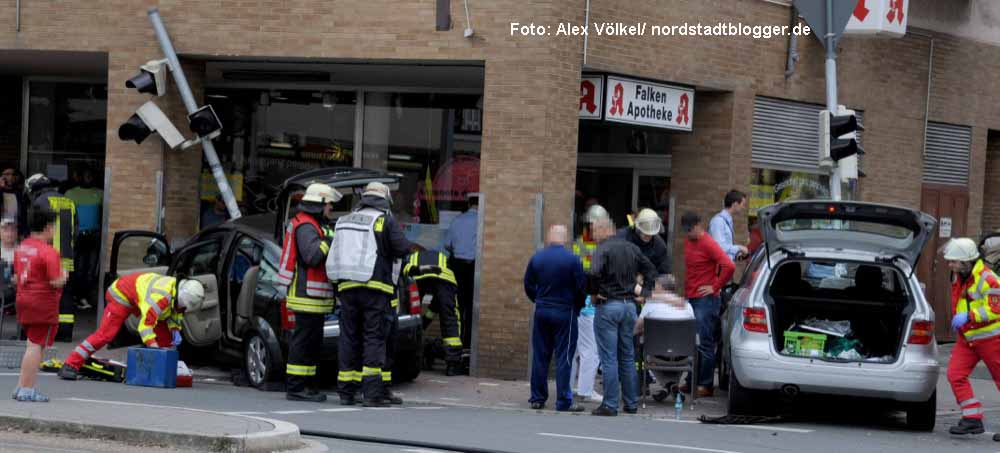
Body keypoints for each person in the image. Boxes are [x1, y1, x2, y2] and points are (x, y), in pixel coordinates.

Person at [328, 182, 411, 407]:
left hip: (347, 288)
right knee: (374, 338)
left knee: (349, 337)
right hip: (375, 289)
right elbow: (403, 248)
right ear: (385, 199)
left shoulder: (344, 220)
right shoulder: (384, 220)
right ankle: (372, 393)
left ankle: (347, 392)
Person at [58, 273, 203, 380]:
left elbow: (175, 314)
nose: (183, 310)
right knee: (105, 335)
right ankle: (71, 364)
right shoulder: (161, 298)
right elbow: (145, 327)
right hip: (121, 294)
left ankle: (165, 372)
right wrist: (155, 351)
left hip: (138, 297)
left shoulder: (178, 293)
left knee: (167, 338)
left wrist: (175, 330)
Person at [276, 183, 340, 402]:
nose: (331, 207)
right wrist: (329, 241)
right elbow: (312, 256)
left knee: (312, 344)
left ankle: (309, 386)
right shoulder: (305, 226)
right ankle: (295, 388)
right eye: (329, 203)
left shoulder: (315, 224)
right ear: (319, 204)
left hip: (315, 296)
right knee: (303, 342)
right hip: (306, 296)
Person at [588, 218, 657, 416]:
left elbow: (593, 273)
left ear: (605, 229)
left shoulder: (603, 249)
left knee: (609, 357)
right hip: (629, 307)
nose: (593, 234)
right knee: (627, 355)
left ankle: (610, 404)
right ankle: (631, 403)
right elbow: (651, 270)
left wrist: (594, 294)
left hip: (609, 305)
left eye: (595, 230)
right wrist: (644, 293)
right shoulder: (633, 248)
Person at [524, 225, 586, 412]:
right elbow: (581, 287)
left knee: (540, 355)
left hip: (542, 310)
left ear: (549, 237)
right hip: (564, 312)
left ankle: (537, 398)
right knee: (564, 357)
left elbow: (528, 284)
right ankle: (563, 401)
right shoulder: (573, 260)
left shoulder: (537, 258)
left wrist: (538, 299)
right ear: (565, 238)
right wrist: (577, 306)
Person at [941, 238, 1000, 436]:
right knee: (955, 375)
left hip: (992, 339)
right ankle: (972, 418)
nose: (950, 265)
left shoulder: (988, 279)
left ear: (966, 261)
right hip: (967, 337)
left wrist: (969, 315)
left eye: (954, 261)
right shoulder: (959, 276)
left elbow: (996, 308)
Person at [11, 210, 66, 402]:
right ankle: (27, 389)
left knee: (31, 343)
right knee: (36, 346)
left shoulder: (22, 247)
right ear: (48, 227)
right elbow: (56, 281)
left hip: (23, 299)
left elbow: (16, 277)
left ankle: (21, 386)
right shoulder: (48, 252)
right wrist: (65, 275)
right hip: (42, 302)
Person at [679, 212, 735, 397]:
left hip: (706, 300)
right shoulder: (689, 241)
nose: (688, 234)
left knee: (704, 342)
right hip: (692, 297)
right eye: (685, 231)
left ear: (698, 225)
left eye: (690, 230)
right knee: (691, 342)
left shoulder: (708, 243)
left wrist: (715, 286)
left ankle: (705, 384)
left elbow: (729, 265)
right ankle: (690, 380)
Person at [25, 174, 76, 342]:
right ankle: (65, 332)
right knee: (66, 294)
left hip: (46, 256)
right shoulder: (69, 201)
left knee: (43, 292)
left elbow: (35, 230)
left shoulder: (39, 202)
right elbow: (75, 229)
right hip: (66, 257)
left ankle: (42, 331)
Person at [404, 250, 465, 376]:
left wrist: (422, 324)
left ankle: (408, 357)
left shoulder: (410, 258)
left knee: (409, 314)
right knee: (449, 317)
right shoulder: (445, 261)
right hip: (443, 277)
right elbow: (440, 304)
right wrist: (424, 323)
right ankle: (453, 365)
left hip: (417, 275)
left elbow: (435, 305)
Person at [570, 204, 608, 403]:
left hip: (578, 303)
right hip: (589, 304)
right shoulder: (596, 247)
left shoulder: (579, 243)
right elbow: (593, 276)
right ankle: (585, 390)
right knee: (590, 350)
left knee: (576, 349)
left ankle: (570, 388)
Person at [634, 275, 694, 398]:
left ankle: (649, 385)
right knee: (673, 349)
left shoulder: (651, 304)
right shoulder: (687, 305)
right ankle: (672, 385)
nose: (653, 289)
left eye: (655, 286)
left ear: (661, 287)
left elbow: (636, 329)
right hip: (683, 355)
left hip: (656, 354)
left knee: (640, 347)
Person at [444, 193, 479, 354]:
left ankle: (456, 343)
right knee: (472, 308)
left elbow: (447, 245)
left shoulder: (457, 220)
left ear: (469, 203)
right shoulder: (483, 221)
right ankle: (468, 345)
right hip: (474, 268)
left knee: (458, 306)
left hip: (457, 267)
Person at [65, 168, 102, 310]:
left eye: (90, 175)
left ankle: (84, 296)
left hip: (94, 235)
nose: (88, 178)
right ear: (79, 177)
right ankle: (76, 297)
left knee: (91, 269)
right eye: (85, 175)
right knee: (77, 267)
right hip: (77, 235)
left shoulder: (100, 193)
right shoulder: (70, 193)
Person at [617, 208, 671, 275]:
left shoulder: (659, 245)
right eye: (645, 232)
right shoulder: (622, 237)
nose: (648, 236)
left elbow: (664, 272)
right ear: (638, 227)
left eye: (651, 234)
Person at [709, 190, 748, 263]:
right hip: (719, 270)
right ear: (735, 204)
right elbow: (719, 247)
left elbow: (726, 248)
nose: (743, 207)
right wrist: (739, 248)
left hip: (726, 267)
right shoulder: (718, 221)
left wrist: (737, 255)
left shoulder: (727, 220)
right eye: (743, 204)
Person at [0, 168, 29, 238]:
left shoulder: (20, 194)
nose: (10, 177)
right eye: (7, 174)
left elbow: (24, 216)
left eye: (13, 174)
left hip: (17, 233)